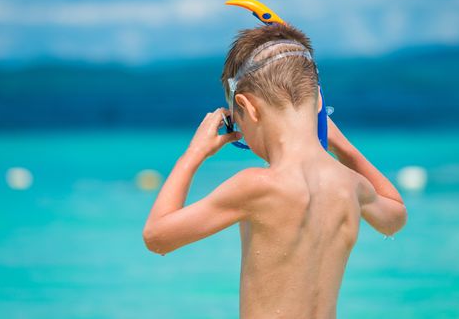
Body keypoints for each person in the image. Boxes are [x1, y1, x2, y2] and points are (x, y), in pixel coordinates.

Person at [142, 23, 407, 318]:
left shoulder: (256, 186)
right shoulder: (351, 185)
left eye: (237, 123)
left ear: (247, 107)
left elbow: (157, 237)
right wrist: (343, 147)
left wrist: (193, 154)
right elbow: (394, 217)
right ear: (318, 101)